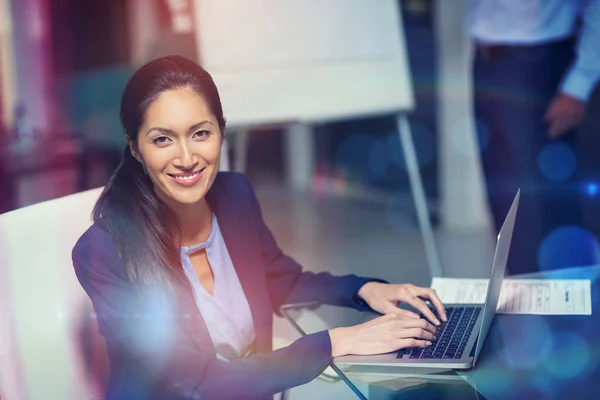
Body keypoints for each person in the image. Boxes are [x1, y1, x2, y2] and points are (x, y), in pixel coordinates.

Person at [72, 55, 447, 400]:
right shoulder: (104, 252)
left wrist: (365, 290)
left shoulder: (235, 195)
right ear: (135, 148)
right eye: (162, 139)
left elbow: (279, 279)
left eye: (200, 133)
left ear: (222, 131)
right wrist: (335, 341)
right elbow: (198, 382)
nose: (186, 159)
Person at [467, 0, 600, 274]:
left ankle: (571, 305)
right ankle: (521, 303)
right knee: (504, 199)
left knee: (548, 205)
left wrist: (581, 81)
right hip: (486, 59)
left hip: (541, 63)